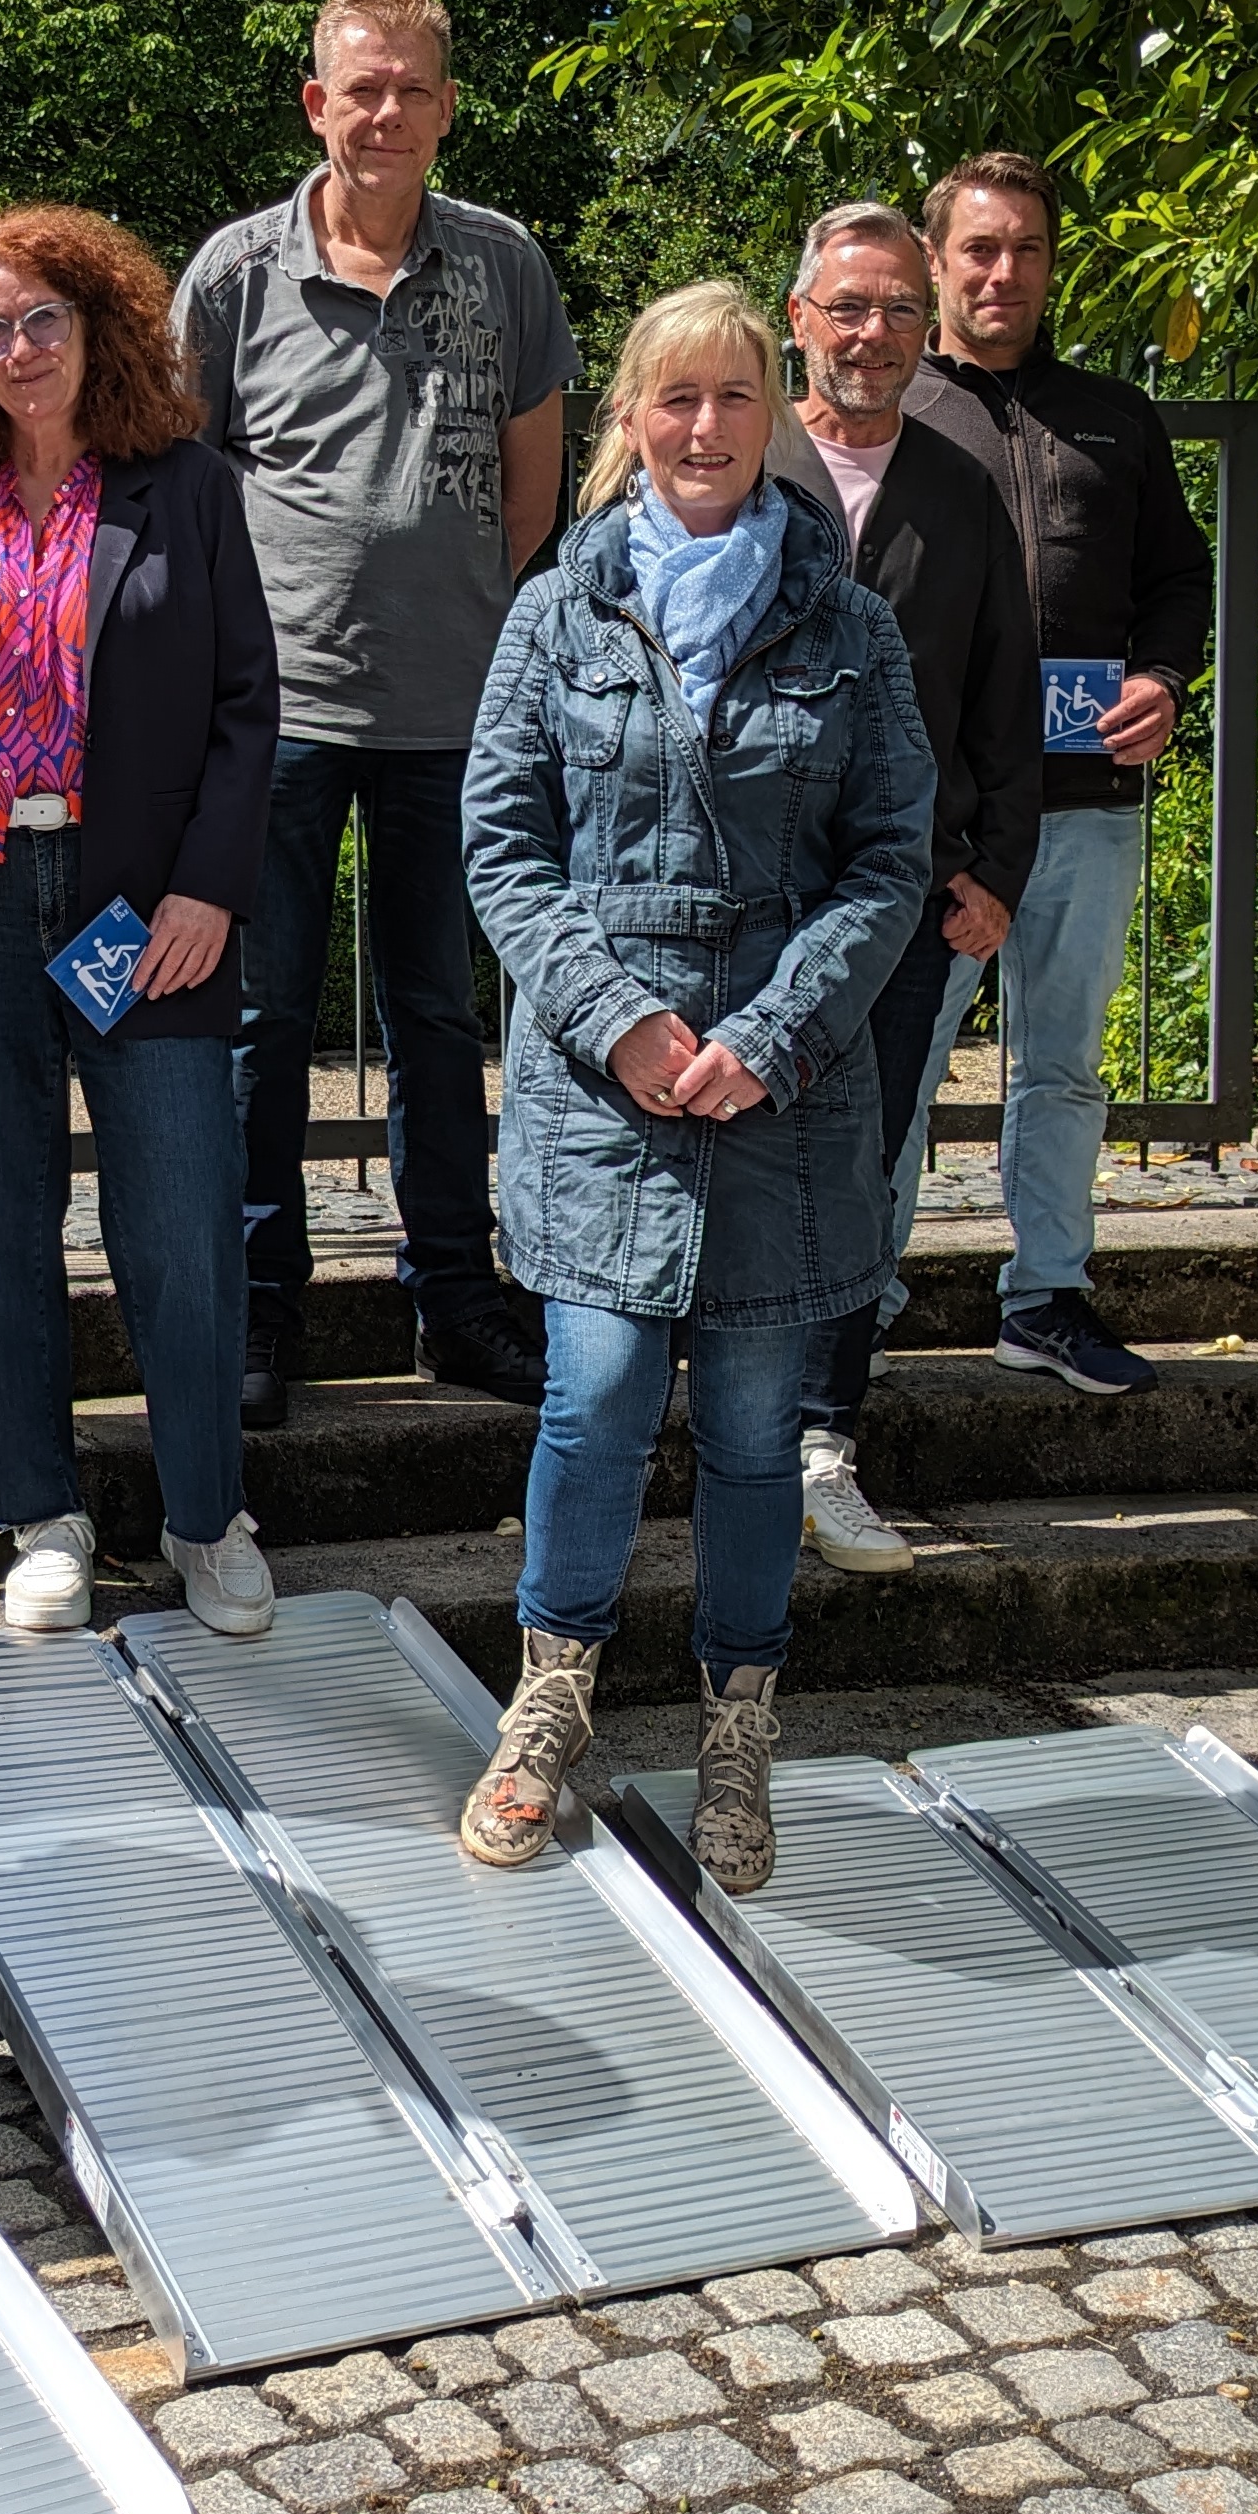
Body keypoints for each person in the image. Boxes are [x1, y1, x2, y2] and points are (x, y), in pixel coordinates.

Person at [454, 280, 933, 1898]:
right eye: (676, 399)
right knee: (588, 1395)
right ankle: (550, 1698)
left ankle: (739, 1717)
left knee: (744, 1427)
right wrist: (617, 1020)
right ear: (629, 420)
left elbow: (884, 864)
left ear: (771, 413)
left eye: (734, 396)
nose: (706, 427)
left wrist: (775, 1031)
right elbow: (500, 847)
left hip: (777, 1088)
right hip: (606, 1077)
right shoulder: (552, 610)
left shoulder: (847, 623)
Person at [0, 206, 279, 1637]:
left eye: (46, 320)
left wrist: (210, 887)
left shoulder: (188, 488)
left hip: (139, 905)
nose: (21, 348)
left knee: (179, 1214)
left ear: (98, 330)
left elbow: (243, 707)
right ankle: (39, 1514)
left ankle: (209, 1515)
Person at [178, 0, 574, 1420]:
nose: (388, 111)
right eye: (364, 87)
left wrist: (445, 608)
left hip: (453, 716)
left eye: (414, 87)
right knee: (259, 1019)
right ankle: (257, 1308)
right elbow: (177, 489)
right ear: (317, 103)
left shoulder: (507, 266)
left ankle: (454, 1300)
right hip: (269, 717)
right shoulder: (233, 276)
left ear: (447, 106)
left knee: (435, 1018)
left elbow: (535, 502)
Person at [913, 151, 1214, 1399]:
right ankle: (854, 1303)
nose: (1002, 272)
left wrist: (1164, 677)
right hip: (935, 813)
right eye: (978, 248)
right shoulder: (892, 415)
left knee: (1065, 1062)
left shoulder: (1114, 416)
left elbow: (1178, 579)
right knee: (900, 1055)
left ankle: (1044, 1297)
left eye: (1025, 248)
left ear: (1051, 263)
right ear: (935, 261)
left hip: (1086, 798)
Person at [767, 205, 1040, 1572]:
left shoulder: (961, 483)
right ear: (798, 317)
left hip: (909, 899)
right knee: (723, 1149)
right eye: (846, 307)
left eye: (896, 313)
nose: (869, 335)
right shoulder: (730, 453)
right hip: (742, 890)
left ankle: (824, 1441)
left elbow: (1005, 695)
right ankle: (717, 1432)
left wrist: (993, 873)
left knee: (861, 1169)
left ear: (925, 334)